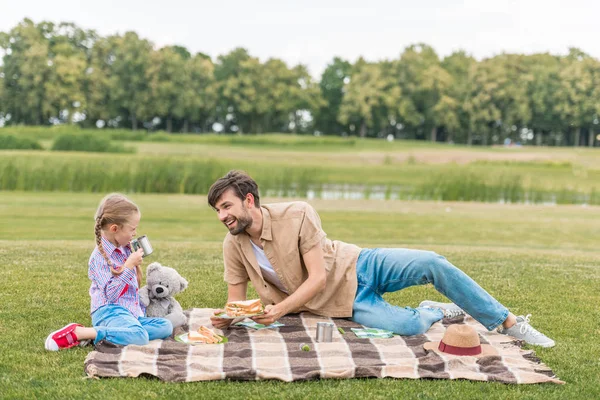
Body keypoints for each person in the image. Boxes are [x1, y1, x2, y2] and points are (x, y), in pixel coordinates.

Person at [209, 170, 555, 347]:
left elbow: (318, 278)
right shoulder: (233, 245)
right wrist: (227, 318)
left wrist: (280, 310)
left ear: (249, 201)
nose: (222, 216)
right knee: (408, 326)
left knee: (431, 262)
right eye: (217, 210)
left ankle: (510, 323)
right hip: (341, 304)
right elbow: (237, 303)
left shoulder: (297, 214)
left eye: (226, 206)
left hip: (359, 264)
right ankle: (436, 310)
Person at [45, 193, 173, 350]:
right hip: (109, 312)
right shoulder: (98, 258)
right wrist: (128, 266)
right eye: (132, 229)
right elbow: (111, 295)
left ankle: (106, 334)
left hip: (129, 313)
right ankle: (80, 332)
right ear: (115, 229)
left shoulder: (124, 249)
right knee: (140, 337)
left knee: (166, 326)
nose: (134, 233)